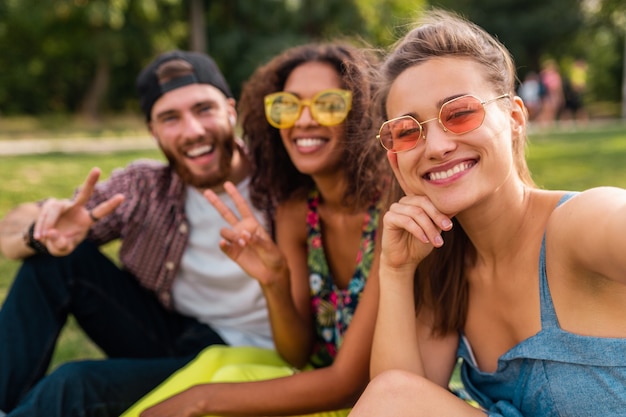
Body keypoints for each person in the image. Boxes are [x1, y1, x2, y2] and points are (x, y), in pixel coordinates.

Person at [347, 9, 626, 417]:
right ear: (393, 158)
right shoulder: (443, 268)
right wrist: (396, 271)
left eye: (459, 113)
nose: (436, 146)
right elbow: (396, 403)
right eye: (408, 131)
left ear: (514, 117)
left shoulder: (581, 222)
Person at [120, 42, 389, 417]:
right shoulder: (299, 211)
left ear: (363, 113)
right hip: (314, 380)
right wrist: (274, 281)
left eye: (328, 104)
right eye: (288, 106)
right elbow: (297, 352)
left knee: (202, 395)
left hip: (375, 402)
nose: (304, 120)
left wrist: (201, 401)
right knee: (216, 364)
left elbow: (347, 384)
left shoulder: (391, 213)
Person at [0, 50, 274, 416]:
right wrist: (41, 229)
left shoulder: (279, 181)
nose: (193, 131)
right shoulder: (144, 187)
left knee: (74, 384)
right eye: (170, 118)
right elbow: (8, 234)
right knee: (53, 261)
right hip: (171, 336)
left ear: (230, 109)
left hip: (249, 352)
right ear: (152, 130)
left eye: (203, 109)